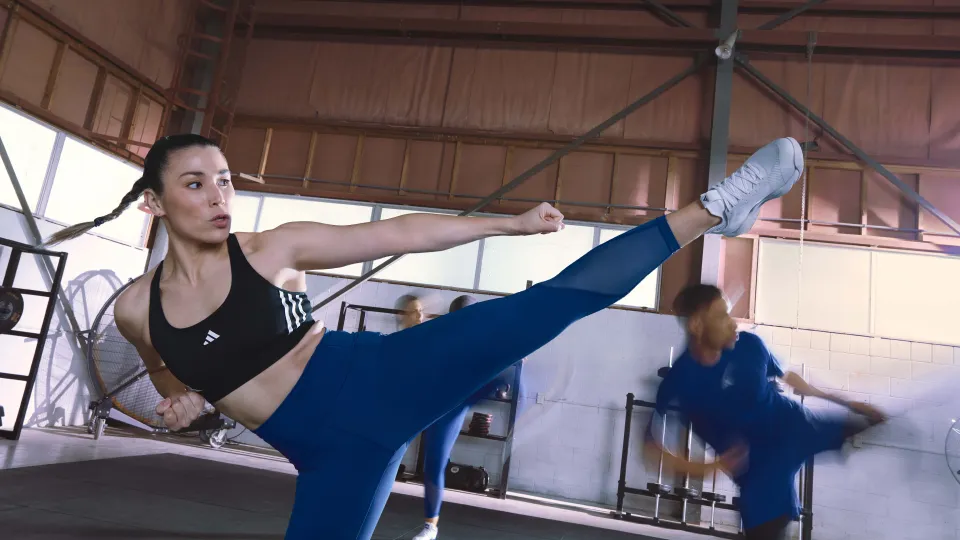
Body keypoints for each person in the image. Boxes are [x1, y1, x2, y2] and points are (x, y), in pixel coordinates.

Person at [43, 133, 804, 539]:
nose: (219, 196)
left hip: (379, 375)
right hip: (331, 458)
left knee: (551, 304)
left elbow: (399, 231)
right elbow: (172, 379)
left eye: (227, 178)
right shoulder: (134, 308)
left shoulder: (271, 250)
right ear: (153, 202)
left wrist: (503, 222)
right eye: (195, 183)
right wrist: (180, 404)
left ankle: (714, 206)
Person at [645, 284, 888, 540]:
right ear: (696, 325)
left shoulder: (750, 345)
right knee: (767, 527)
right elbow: (650, 449)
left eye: (729, 314)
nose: (733, 323)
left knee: (875, 424)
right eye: (721, 316)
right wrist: (709, 467)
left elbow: (790, 378)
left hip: (796, 427)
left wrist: (850, 403)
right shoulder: (681, 381)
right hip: (758, 467)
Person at [407, 294, 525, 540]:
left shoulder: (482, 339)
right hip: (425, 400)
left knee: (435, 464)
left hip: (452, 404)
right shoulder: (441, 334)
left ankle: (430, 527)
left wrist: (506, 377)